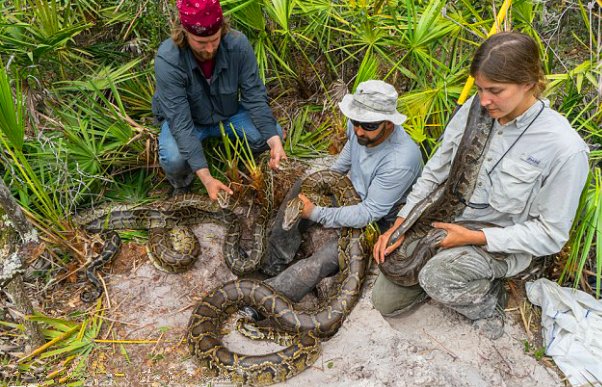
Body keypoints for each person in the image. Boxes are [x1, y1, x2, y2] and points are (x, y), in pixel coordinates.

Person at [372, 32, 590, 340]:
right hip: (442, 223)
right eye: (480, 88)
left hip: (497, 241)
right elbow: (436, 172)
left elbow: (551, 235)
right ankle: (442, 269)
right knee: (385, 301)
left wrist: (471, 237)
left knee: (437, 277)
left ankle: (490, 300)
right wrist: (401, 223)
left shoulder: (564, 149)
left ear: (529, 82)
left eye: (495, 90)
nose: (484, 100)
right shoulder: (476, 111)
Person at [241, 80, 423, 320]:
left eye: (368, 125)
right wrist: (326, 180)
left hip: (379, 223)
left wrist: (315, 212)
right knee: (301, 189)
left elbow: (368, 214)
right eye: (356, 121)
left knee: (323, 260)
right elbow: (349, 153)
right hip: (351, 194)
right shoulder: (360, 130)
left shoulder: (401, 159)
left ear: (389, 124)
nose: (358, 130)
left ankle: (264, 302)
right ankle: (273, 263)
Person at [152, 0, 286, 199]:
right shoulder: (168, 59)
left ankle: (241, 161)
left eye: (214, 40)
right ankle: (182, 184)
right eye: (201, 43)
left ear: (222, 29)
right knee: (173, 158)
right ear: (184, 32)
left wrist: (275, 142)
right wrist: (207, 178)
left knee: (272, 134)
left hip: (228, 114)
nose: (209, 49)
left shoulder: (238, 45)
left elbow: (255, 97)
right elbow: (180, 124)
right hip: (190, 122)